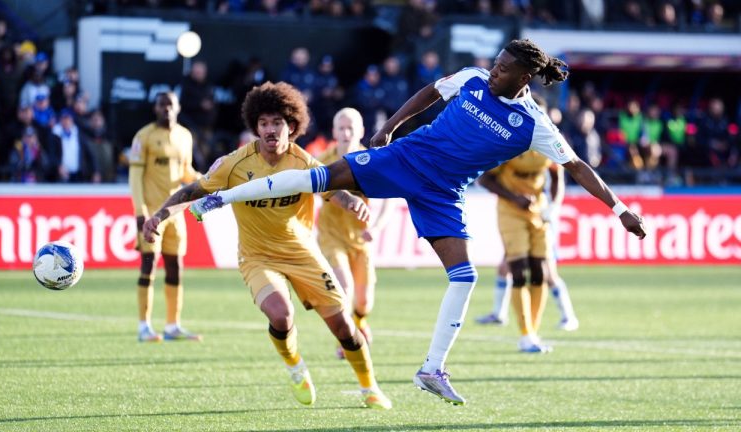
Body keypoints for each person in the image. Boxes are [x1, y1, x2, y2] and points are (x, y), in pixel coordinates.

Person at [188, 39, 648, 406]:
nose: (493, 70)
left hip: (443, 194)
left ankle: (432, 370)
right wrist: (390, 125)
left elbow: (579, 168)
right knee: (317, 177)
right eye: (495, 62)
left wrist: (620, 210)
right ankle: (221, 198)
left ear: (524, 78)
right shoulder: (471, 79)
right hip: (405, 159)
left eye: (504, 68)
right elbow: (431, 92)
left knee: (464, 277)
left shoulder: (534, 125)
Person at [142, 82, 392, 409]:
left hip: (302, 253)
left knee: (343, 325)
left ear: (292, 126)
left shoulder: (304, 162)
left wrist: (352, 203)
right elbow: (192, 192)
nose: (270, 130)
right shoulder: (234, 164)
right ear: (255, 127)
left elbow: (333, 189)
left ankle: (369, 387)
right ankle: (295, 366)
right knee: (281, 314)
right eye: (263, 123)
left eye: (277, 123)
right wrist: (159, 216)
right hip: (257, 256)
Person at [474, 154, 576, 353]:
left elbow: (557, 176)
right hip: (510, 213)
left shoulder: (547, 143)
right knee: (518, 270)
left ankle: (532, 334)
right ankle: (525, 334)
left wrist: (554, 206)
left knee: (541, 273)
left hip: (539, 213)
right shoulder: (511, 144)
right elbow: (484, 179)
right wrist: (514, 197)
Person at [317, 107, 392, 359]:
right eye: (342, 127)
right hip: (330, 237)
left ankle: (359, 322)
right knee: (344, 286)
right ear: (334, 131)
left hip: (360, 239)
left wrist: (377, 227)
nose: (347, 132)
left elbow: (390, 197)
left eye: (352, 128)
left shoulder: (370, 160)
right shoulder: (323, 162)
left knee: (364, 302)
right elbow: (318, 192)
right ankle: (346, 341)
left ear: (361, 131)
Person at [129, 91, 202, 343]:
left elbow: (186, 172)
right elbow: (135, 178)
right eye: (162, 105)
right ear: (155, 109)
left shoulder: (184, 136)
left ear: (178, 108)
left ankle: (172, 325)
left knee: (175, 267)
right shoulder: (144, 137)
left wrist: (204, 180)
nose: (166, 110)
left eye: (170, 105)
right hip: (151, 213)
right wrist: (140, 212)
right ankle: (143, 326)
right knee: (148, 264)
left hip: (176, 212)